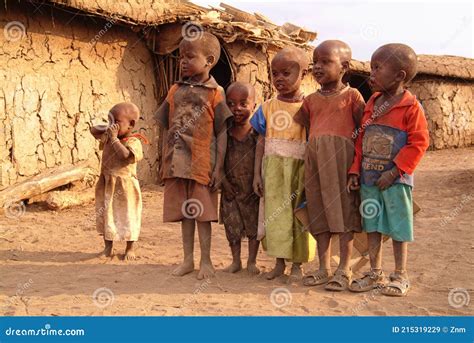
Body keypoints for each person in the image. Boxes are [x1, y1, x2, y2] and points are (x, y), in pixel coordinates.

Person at [347, 43, 429, 296]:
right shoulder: (372, 103)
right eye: (371, 68)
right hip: (370, 179)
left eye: (377, 68)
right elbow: (361, 139)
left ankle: (400, 274)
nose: (371, 74)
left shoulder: (411, 107)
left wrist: (394, 172)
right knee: (372, 225)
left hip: (396, 181)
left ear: (399, 76)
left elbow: (419, 142)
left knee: (398, 226)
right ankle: (375, 273)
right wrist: (354, 170)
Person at [155, 32, 233, 280]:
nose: (183, 62)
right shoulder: (175, 90)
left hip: (202, 164)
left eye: (190, 56)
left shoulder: (216, 93)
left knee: (202, 214)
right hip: (177, 162)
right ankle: (187, 259)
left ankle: (206, 261)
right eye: (180, 57)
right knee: (184, 213)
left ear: (209, 60)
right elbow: (164, 126)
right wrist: (163, 159)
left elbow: (222, 133)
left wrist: (218, 167)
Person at [294, 40, 365, 291]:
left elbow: (363, 134)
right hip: (315, 164)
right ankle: (323, 268)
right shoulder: (310, 101)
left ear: (344, 66)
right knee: (319, 213)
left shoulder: (352, 96)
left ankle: (343, 269)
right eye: (315, 61)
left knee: (344, 215)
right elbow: (305, 131)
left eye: (326, 61)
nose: (318, 66)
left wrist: (356, 168)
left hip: (342, 164)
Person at [251, 47, 316, 280]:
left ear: (303, 74)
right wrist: (257, 174)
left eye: (286, 73)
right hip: (273, 171)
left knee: (300, 216)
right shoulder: (267, 107)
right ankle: (279, 263)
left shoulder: (309, 107)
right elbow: (260, 141)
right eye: (274, 73)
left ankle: (298, 265)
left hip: (301, 169)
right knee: (275, 217)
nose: (279, 79)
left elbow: (315, 141)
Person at [90, 102, 145, 261]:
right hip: (108, 183)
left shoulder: (133, 141)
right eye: (110, 121)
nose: (112, 126)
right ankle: (108, 247)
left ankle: (130, 247)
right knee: (107, 215)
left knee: (128, 216)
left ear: (131, 124)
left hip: (125, 187)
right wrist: (109, 126)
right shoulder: (109, 135)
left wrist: (114, 139)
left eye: (116, 122)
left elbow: (125, 156)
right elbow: (93, 131)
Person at [220, 81, 260, 275]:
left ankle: (252, 262)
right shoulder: (224, 131)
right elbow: (218, 158)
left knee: (253, 227)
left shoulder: (257, 132)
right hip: (231, 188)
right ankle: (236, 261)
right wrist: (223, 181)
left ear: (254, 105)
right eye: (231, 103)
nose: (237, 109)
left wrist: (258, 180)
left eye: (244, 104)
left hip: (252, 189)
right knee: (232, 226)